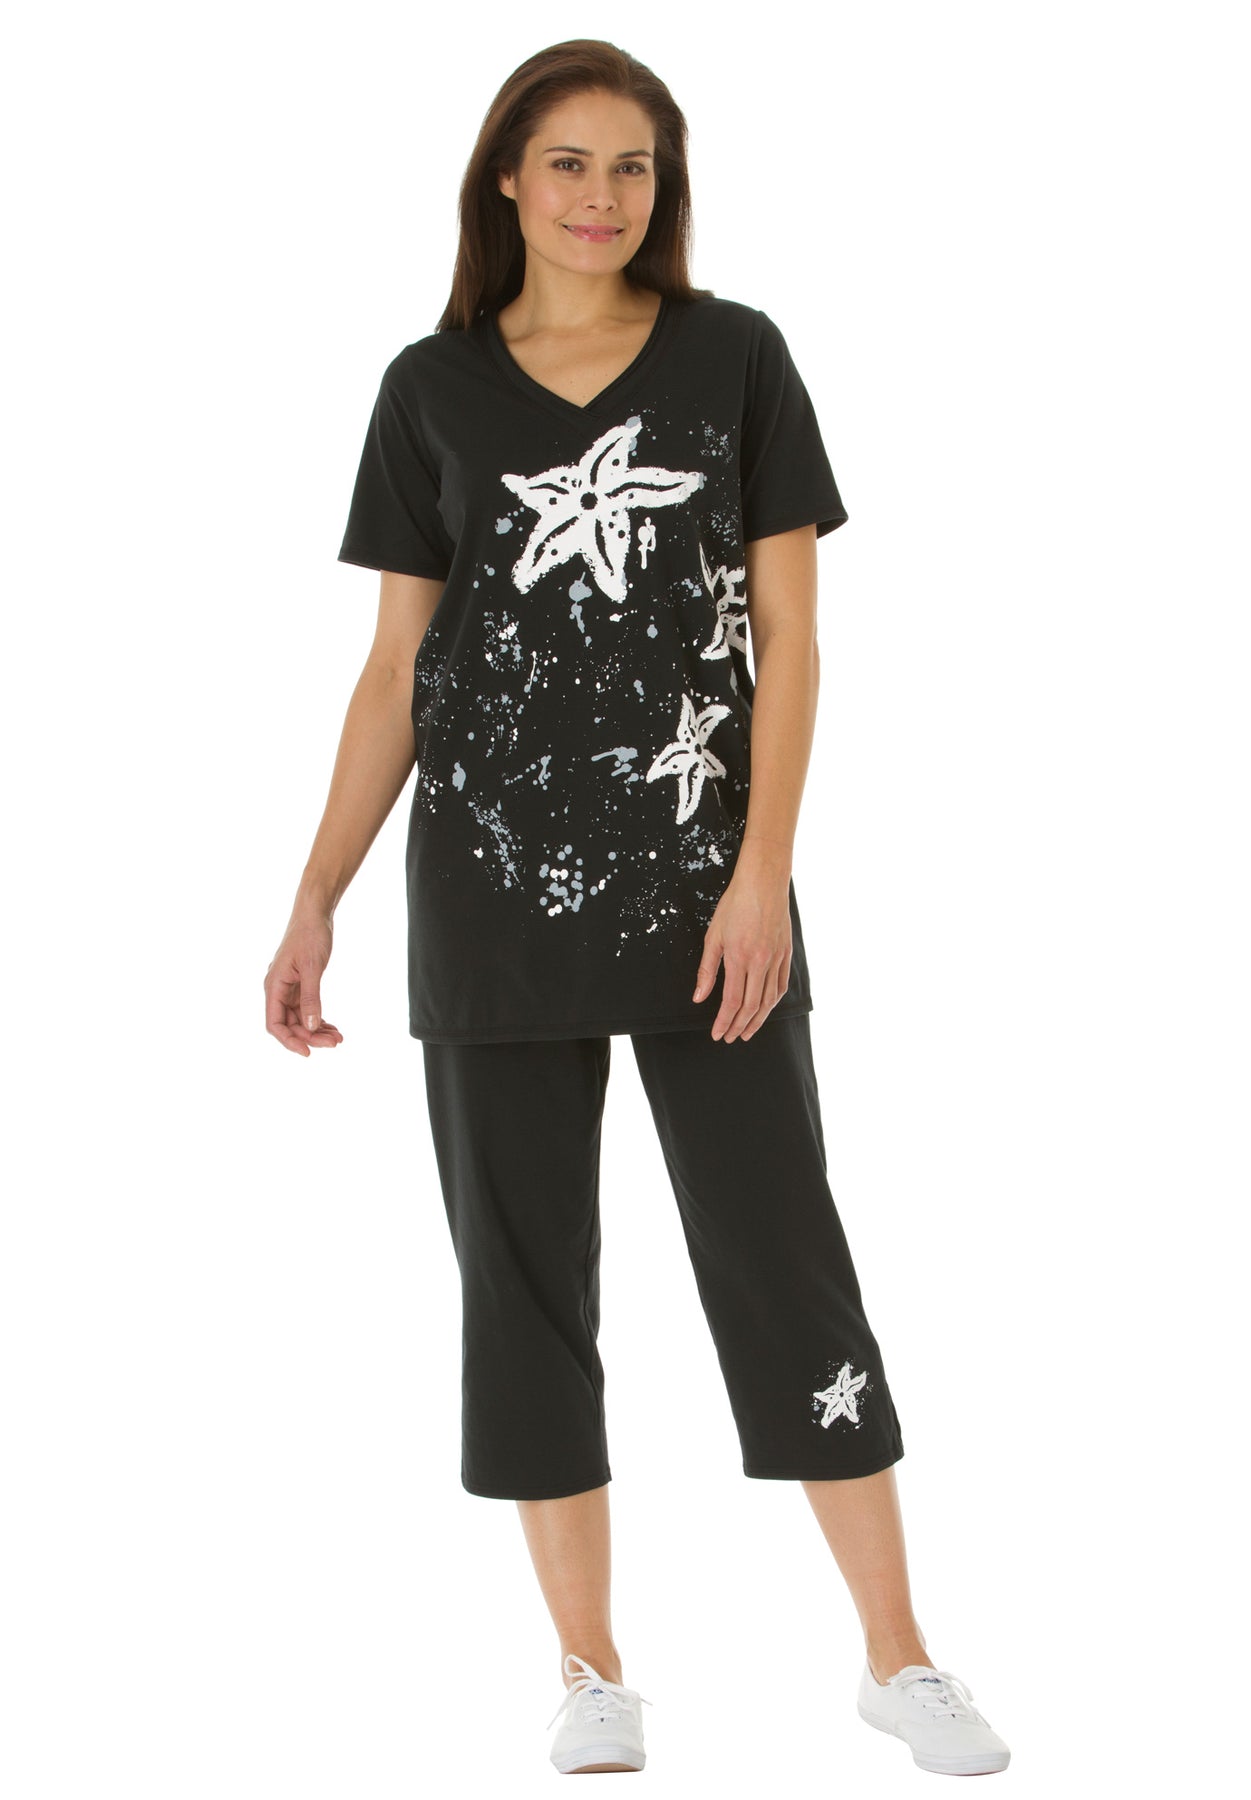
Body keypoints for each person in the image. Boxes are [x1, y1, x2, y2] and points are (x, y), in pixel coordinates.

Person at [264, 37, 1011, 1781]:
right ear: (505, 180)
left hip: (704, 897)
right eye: (569, 163)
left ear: (662, 190)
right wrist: (314, 893)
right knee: (524, 1284)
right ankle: (590, 1671)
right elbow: (396, 671)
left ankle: (898, 1656)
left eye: (633, 168)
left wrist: (764, 876)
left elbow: (793, 642)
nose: (602, 198)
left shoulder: (734, 359)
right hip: (489, 900)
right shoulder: (430, 390)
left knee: (782, 1256)